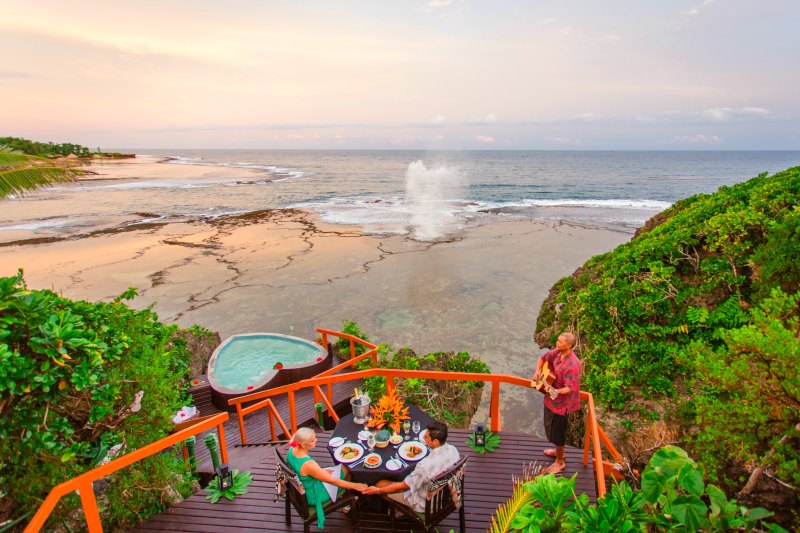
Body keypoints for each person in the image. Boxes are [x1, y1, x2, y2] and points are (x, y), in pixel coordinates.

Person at [362, 420, 460, 513]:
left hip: (425, 504)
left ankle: (400, 510)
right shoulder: (453, 450)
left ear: (436, 442)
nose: (424, 438)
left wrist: (377, 490)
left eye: (426, 437)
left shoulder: (424, 467)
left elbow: (401, 488)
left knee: (380, 484)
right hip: (447, 496)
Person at [286, 427, 368, 530]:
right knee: (346, 467)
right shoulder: (309, 464)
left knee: (336, 470)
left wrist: (320, 472)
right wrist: (356, 486)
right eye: (313, 440)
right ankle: (346, 500)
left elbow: (294, 437)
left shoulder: (292, 447)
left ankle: (346, 497)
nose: (316, 440)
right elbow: (333, 481)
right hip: (314, 495)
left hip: (302, 487)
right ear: (303, 444)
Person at [531, 331, 581, 474]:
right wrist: (537, 372)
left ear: (569, 345)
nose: (556, 343)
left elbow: (570, 388)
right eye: (557, 341)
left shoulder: (572, 365)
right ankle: (559, 452)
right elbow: (542, 358)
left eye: (560, 342)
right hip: (551, 399)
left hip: (562, 404)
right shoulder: (557, 353)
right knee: (551, 428)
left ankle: (560, 462)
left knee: (558, 432)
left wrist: (555, 391)